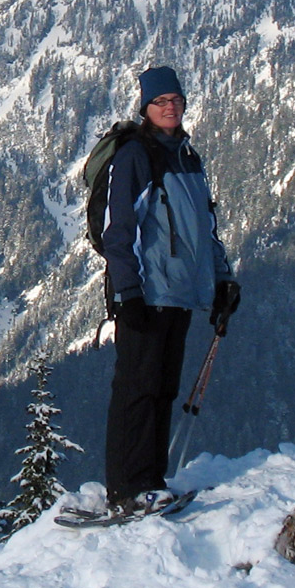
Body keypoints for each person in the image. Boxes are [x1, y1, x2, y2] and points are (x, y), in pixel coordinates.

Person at [100, 65, 238, 513]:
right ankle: (127, 488)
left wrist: (222, 281)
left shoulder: (187, 157)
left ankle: (151, 480)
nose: (171, 107)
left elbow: (205, 229)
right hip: (147, 294)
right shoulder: (136, 156)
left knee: (162, 389)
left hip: (180, 295)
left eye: (176, 100)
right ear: (145, 107)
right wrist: (129, 293)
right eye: (162, 102)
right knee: (137, 390)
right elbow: (118, 233)